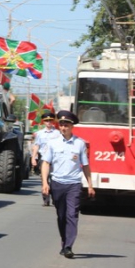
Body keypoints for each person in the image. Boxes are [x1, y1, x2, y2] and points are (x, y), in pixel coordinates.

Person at [40, 110, 95, 259]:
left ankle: (69, 246)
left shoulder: (80, 143)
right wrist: (45, 183)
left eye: (67, 125)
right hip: (57, 183)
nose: (64, 127)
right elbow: (46, 163)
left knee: (72, 215)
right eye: (62, 124)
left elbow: (85, 165)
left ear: (72, 126)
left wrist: (90, 185)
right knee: (61, 215)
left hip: (74, 184)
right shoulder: (52, 143)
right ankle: (64, 242)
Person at [31, 109, 59, 205]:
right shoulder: (40, 133)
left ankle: (55, 198)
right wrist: (33, 157)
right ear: (43, 122)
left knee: (55, 179)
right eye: (47, 121)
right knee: (44, 179)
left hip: (55, 158)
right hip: (43, 157)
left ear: (53, 121)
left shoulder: (58, 133)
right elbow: (36, 145)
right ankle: (46, 199)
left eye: (50, 120)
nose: (49, 123)